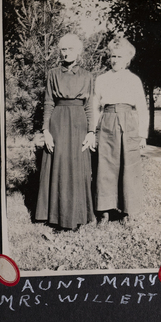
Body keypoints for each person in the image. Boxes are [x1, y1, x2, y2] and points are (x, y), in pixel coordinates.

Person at [34, 33, 96, 229]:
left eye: (71, 49)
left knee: (77, 168)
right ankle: (55, 216)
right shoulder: (53, 73)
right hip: (58, 122)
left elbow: (90, 105)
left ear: (79, 51)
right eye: (63, 49)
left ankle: (78, 215)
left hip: (79, 123)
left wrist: (91, 132)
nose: (67, 53)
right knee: (59, 166)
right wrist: (46, 131)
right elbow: (48, 102)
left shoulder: (87, 75)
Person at [94, 37, 149, 222]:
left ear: (127, 59)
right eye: (112, 56)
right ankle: (104, 211)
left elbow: (142, 108)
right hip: (107, 120)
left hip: (128, 122)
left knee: (129, 165)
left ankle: (127, 211)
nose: (115, 59)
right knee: (105, 165)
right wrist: (93, 132)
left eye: (119, 56)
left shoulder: (134, 80)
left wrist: (142, 135)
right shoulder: (101, 79)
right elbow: (95, 107)